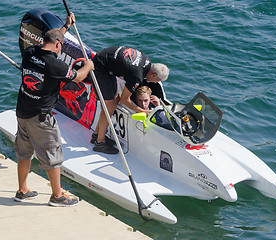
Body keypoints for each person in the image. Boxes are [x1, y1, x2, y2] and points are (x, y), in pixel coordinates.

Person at [14, 12, 94, 206]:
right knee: (53, 157)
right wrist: (89, 66)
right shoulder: (55, 65)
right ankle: (57, 196)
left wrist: (65, 27)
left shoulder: (29, 53)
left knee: (24, 154)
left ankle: (22, 190)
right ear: (58, 45)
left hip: (22, 112)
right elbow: (77, 77)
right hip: (40, 118)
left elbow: (54, 37)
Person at [90, 46, 169, 154]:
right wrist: (142, 111)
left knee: (112, 102)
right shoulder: (137, 75)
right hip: (100, 67)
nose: (155, 83)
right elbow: (124, 100)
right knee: (110, 106)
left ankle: (96, 136)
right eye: (157, 80)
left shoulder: (147, 61)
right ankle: (99, 143)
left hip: (107, 60)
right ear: (153, 74)